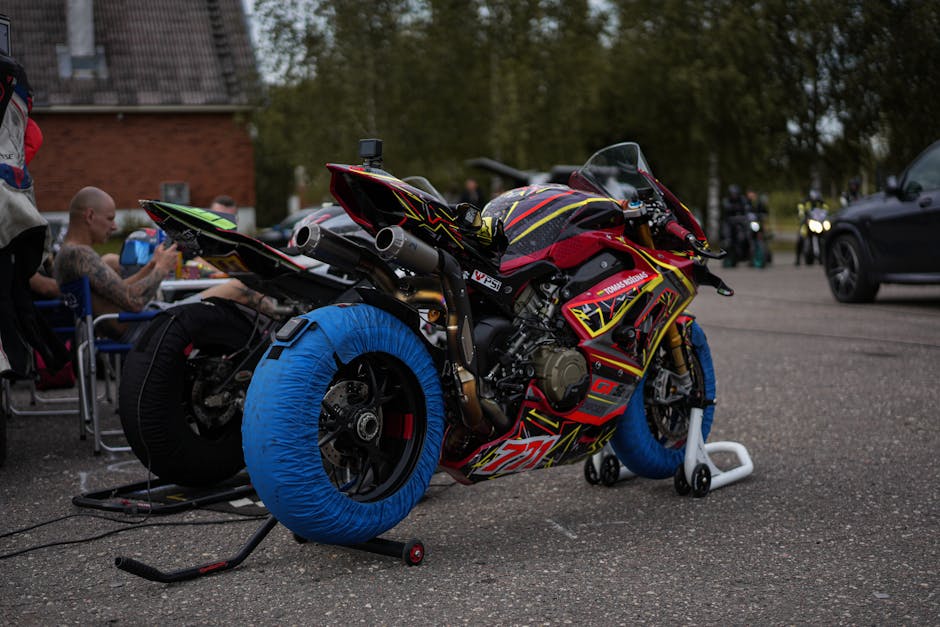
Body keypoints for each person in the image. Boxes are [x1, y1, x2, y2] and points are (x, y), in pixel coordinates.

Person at [53, 186, 277, 342]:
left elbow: (120, 292)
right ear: (90, 215)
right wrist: (162, 268)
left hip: (141, 323)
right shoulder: (80, 254)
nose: (114, 227)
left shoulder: (69, 253)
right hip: (149, 327)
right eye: (110, 218)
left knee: (236, 297)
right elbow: (133, 302)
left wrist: (151, 265)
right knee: (241, 289)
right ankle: (285, 341)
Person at [795, 188, 828, 266]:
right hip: (807, 223)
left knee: (825, 237)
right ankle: (797, 259)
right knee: (801, 238)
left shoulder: (821, 203)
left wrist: (825, 217)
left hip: (818, 223)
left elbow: (826, 211)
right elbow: (801, 211)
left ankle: (823, 257)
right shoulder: (805, 202)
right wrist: (802, 216)